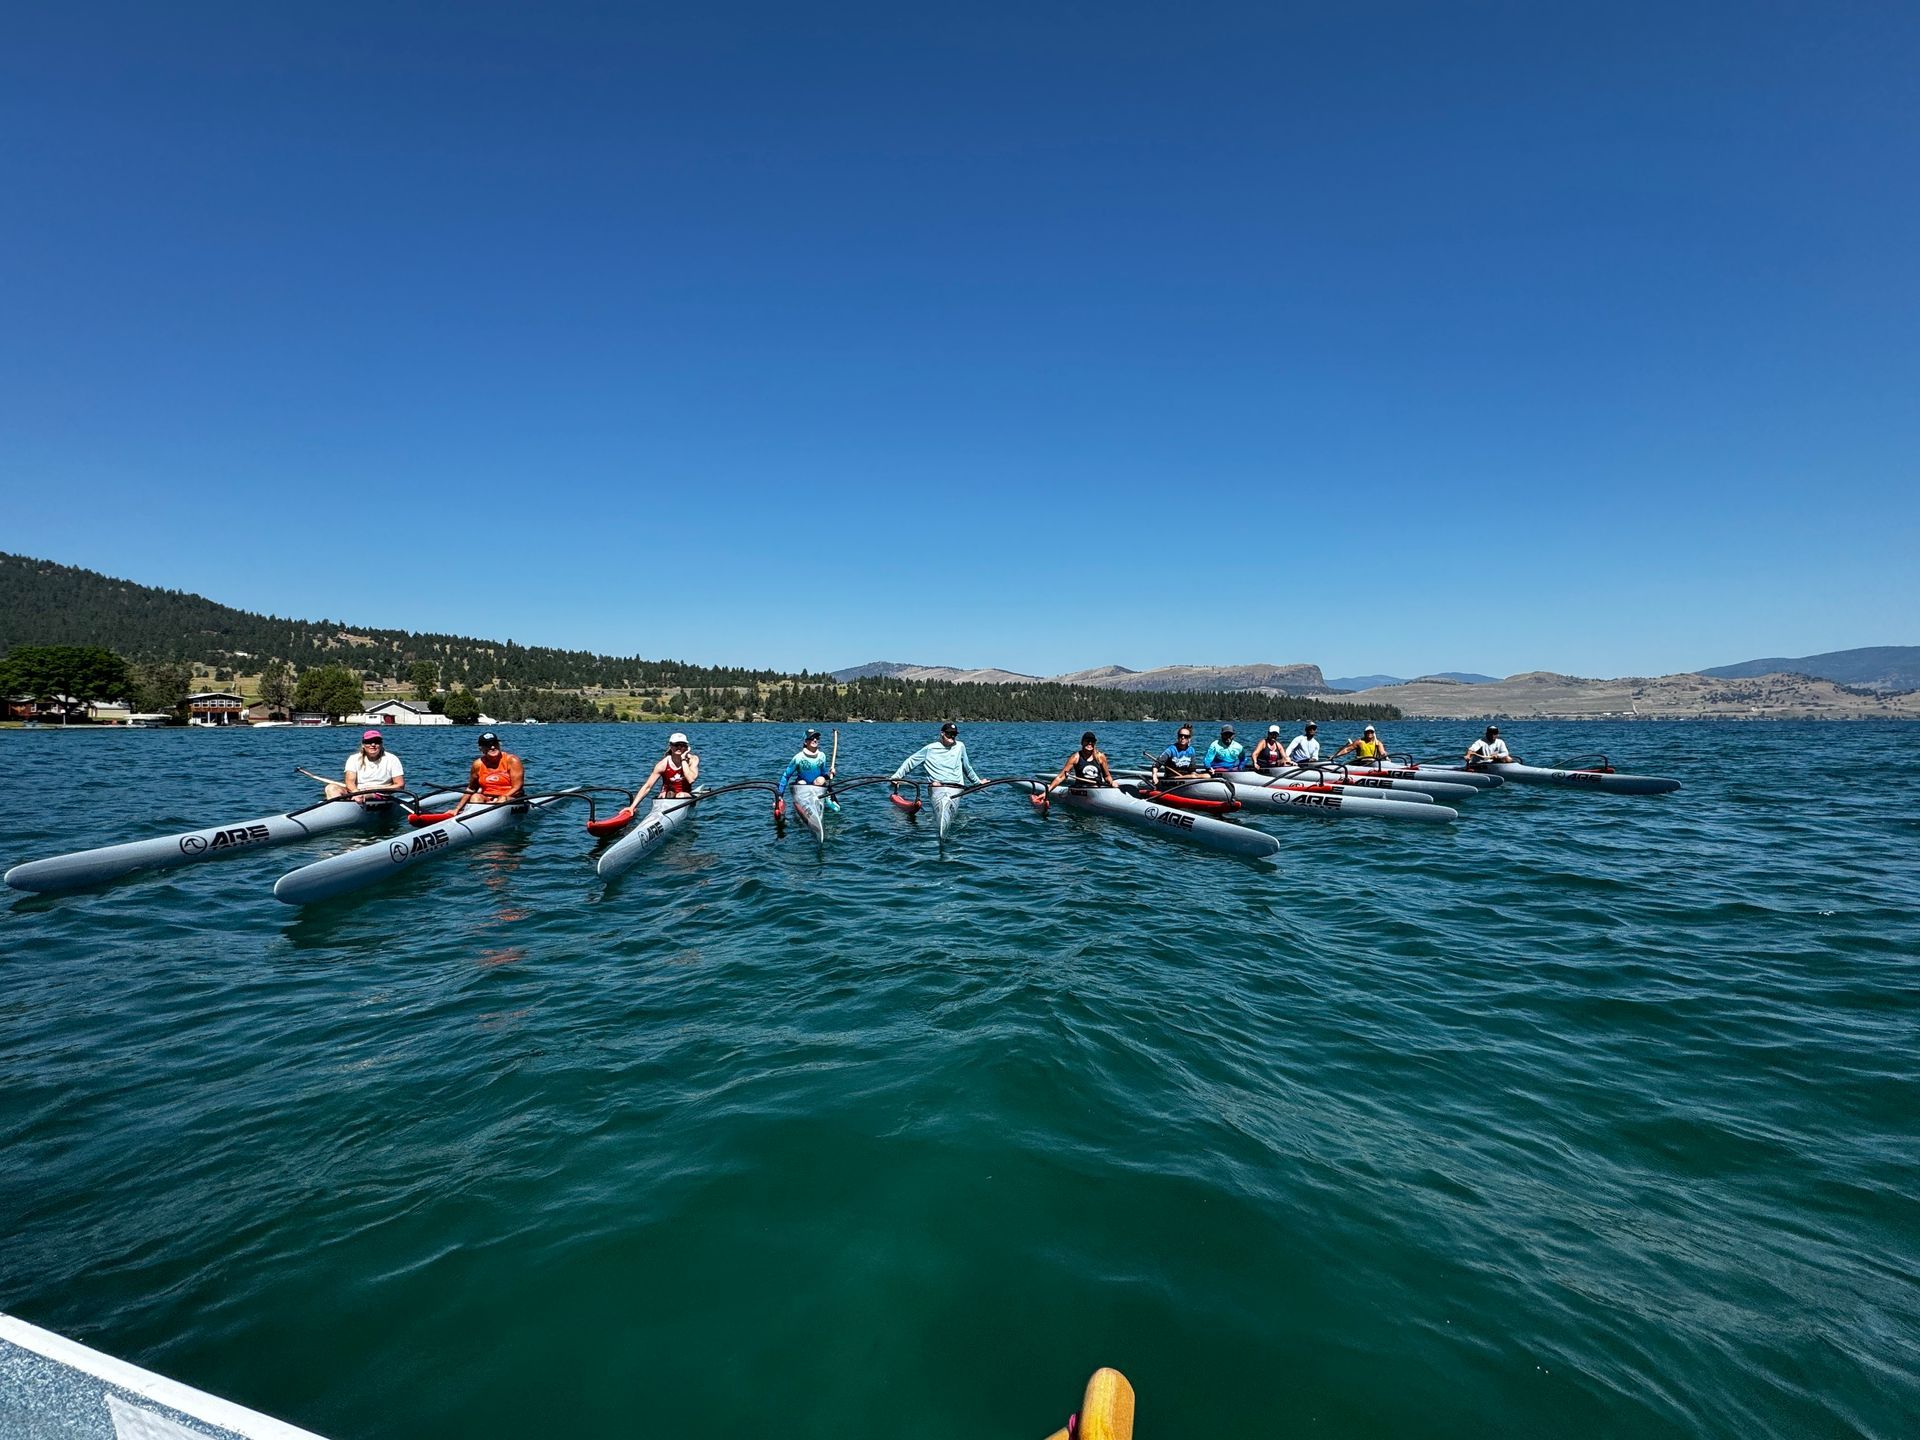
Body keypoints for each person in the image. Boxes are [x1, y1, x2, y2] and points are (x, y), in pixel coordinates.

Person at [891, 721, 984, 792]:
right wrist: (897, 776)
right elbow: (911, 761)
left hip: (956, 787)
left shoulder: (960, 746)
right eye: (949, 733)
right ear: (942, 733)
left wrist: (978, 783)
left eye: (954, 734)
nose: (952, 736)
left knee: (939, 786)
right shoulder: (930, 748)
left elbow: (967, 768)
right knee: (935, 784)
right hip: (938, 787)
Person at [449, 731, 525, 815]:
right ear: (481, 749)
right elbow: (471, 788)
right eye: (488, 745)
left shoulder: (512, 760)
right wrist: (457, 808)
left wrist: (499, 798)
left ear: (499, 745)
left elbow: (517, 787)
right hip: (488, 799)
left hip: (510, 798)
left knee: (502, 799)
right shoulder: (477, 764)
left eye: (495, 744)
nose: (492, 747)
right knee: (475, 797)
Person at [626, 731, 701, 813]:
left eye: (682, 745)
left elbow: (691, 779)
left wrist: (683, 759)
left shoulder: (693, 759)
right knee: (664, 795)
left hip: (684, 796)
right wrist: (632, 807)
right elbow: (647, 786)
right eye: (676, 745)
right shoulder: (662, 764)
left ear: (686, 747)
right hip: (666, 797)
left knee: (680, 795)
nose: (679, 748)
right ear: (670, 746)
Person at [326, 728, 404, 800]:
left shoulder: (392, 759)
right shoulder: (353, 758)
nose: (373, 744)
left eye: (377, 741)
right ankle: (336, 809)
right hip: (357, 792)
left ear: (381, 744)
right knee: (331, 788)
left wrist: (375, 789)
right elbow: (350, 783)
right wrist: (356, 792)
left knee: (365, 795)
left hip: (381, 794)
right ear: (363, 745)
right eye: (369, 742)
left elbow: (400, 785)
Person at [778, 729, 840, 811]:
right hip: (802, 789)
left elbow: (823, 775)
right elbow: (786, 776)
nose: (815, 740)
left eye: (817, 738)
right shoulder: (798, 758)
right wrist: (780, 796)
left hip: (817, 788)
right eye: (811, 738)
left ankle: (825, 799)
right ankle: (804, 807)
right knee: (802, 782)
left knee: (821, 780)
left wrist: (830, 774)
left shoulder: (822, 756)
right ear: (805, 742)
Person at [1043, 732, 1117, 790]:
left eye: (1092, 741)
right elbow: (1061, 777)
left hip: (1097, 788)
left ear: (1095, 743)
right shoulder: (1075, 757)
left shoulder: (1100, 757)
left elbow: (1107, 776)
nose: (1090, 743)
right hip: (1081, 789)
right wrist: (1047, 791)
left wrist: (1111, 782)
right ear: (1082, 742)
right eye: (1087, 741)